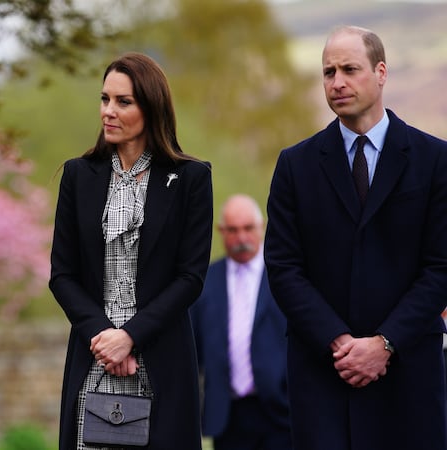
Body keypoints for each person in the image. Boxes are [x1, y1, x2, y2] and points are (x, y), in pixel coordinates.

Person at [264, 25, 447, 450]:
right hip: (324, 378)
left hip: (409, 379)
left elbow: (440, 267)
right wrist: (341, 342)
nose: (337, 82)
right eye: (328, 72)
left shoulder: (435, 160)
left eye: (349, 69)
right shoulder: (295, 165)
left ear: (381, 72)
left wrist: (384, 344)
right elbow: (284, 268)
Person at [49, 52, 213, 450]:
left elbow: (190, 278)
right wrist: (106, 337)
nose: (109, 110)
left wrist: (131, 336)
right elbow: (62, 275)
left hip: (162, 361)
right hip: (95, 355)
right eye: (105, 99)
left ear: (151, 108)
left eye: (123, 102)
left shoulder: (192, 178)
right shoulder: (78, 176)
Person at [191, 194, 291, 450]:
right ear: (221, 231)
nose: (242, 238)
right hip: (227, 415)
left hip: (280, 410)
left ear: (262, 227)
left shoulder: (285, 276)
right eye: (233, 230)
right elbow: (192, 346)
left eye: (248, 228)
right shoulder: (204, 281)